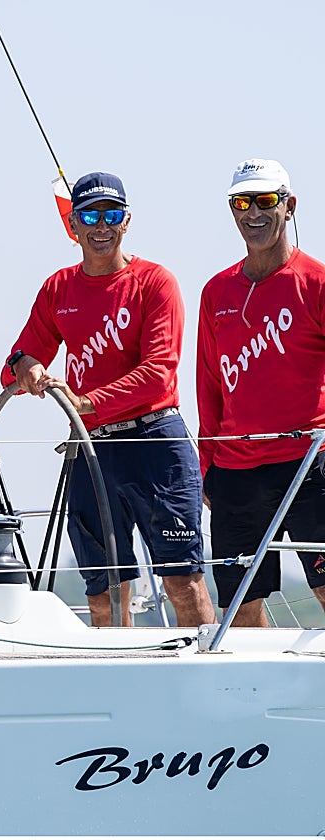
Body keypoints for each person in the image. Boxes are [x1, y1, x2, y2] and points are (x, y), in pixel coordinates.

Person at [3, 172, 215, 627]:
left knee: (183, 581)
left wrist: (84, 403)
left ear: (127, 221)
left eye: (112, 215)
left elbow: (159, 375)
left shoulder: (155, 282)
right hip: (92, 448)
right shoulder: (58, 288)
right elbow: (16, 364)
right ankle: (121, 687)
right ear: (72, 225)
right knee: (103, 594)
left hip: (155, 442)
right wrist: (28, 366)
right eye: (90, 216)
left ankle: (206, 685)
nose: (102, 226)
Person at [197, 158, 325, 626]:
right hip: (236, 471)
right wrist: (207, 464)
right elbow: (209, 384)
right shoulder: (216, 292)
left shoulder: (317, 281)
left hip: (310, 464)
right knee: (242, 610)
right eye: (241, 202)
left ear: (289, 206)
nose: (253, 212)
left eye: (265, 200)